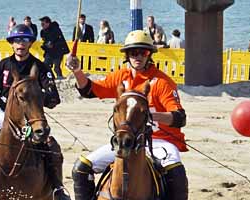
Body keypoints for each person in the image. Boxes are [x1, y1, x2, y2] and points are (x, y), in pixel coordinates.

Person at [65, 30, 189, 200]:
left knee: (175, 168)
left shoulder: (162, 82)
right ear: (127, 55)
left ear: (149, 55)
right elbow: (88, 90)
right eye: (133, 52)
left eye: (143, 52)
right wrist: (77, 70)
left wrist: (153, 116)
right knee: (81, 167)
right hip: (125, 140)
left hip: (159, 141)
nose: (138, 56)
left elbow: (179, 117)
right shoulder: (120, 77)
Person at [0, 24, 68, 199]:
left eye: (25, 40)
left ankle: (57, 188)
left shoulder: (40, 67)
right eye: (17, 40)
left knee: (52, 147)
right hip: (3, 116)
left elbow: (54, 99)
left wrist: (38, 97)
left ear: (30, 43)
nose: (21, 44)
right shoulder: (4, 65)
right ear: (12, 43)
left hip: (32, 117)